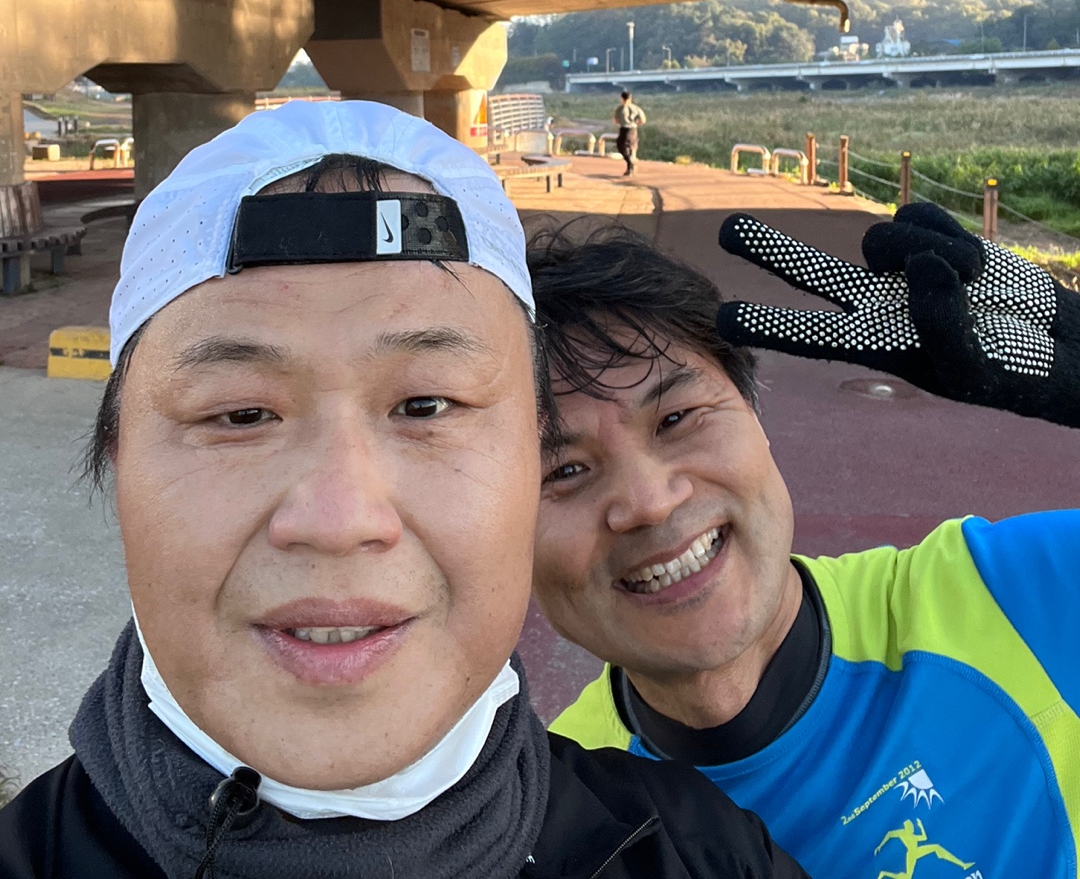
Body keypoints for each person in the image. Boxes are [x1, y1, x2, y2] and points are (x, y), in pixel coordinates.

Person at [0, 101, 807, 879]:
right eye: (240, 415)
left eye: (426, 406)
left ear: (531, 456)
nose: (339, 518)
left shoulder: (704, 854)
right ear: (118, 460)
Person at [527, 206, 1080, 879]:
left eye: (677, 418)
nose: (650, 501)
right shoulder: (555, 817)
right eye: (564, 471)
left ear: (757, 418)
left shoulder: (1019, 595)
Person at [613, 91, 646, 177]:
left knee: (621, 146)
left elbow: (616, 120)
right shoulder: (636, 108)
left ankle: (631, 163)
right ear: (630, 98)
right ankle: (630, 168)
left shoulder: (620, 108)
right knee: (631, 147)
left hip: (624, 129)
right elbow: (643, 120)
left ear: (622, 99)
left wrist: (622, 122)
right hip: (633, 129)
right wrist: (636, 123)